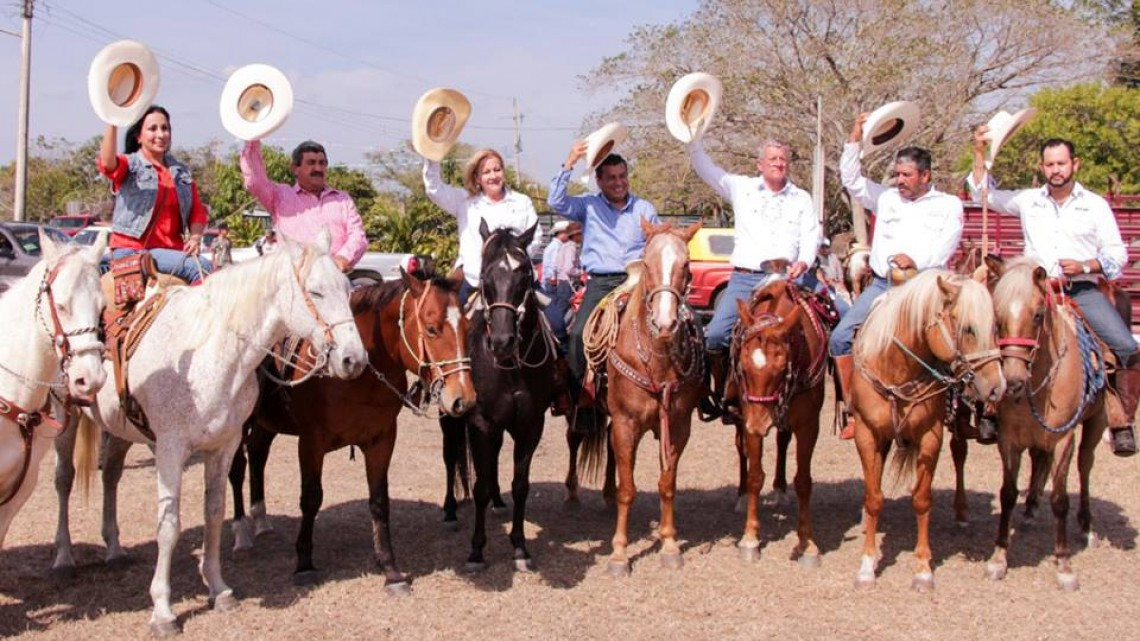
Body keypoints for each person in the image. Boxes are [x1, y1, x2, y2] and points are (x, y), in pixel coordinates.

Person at [969, 131, 1137, 456]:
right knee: (987, 337)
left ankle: (1121, 420)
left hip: (1080, 289)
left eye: (1061, 163)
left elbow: (1117, 255)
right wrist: (979, 153)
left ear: (1075, 164)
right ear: (1042, 167)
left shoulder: (1095, 205)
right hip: (1033, 290)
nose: (1056, 170)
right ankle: (988, 408)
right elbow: (982, 194)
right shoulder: (1028, 200)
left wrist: (1085, 265)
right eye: (1050, 164)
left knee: (1125, 346)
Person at [830, 112, 964, 439]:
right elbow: (852, 179)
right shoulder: (886, 198)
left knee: (958, 343)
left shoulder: (948, 205)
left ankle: (960, 411)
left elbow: (946, 245)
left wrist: (917, 261)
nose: (900, 180)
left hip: (924, 288)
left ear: (925, 175)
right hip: (882, 285)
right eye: (897, 174)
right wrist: (855, 137)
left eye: (906, 175)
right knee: (840, 337)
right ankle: (853, 409)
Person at [688, 137, 820, 420]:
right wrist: (694, 140)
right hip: (746, 279)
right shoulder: (741, 187)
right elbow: (706, 168)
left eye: (783, 159)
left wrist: (804, 261)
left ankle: (842, 401)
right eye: (773, 159)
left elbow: (811, 235)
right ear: (760, 165)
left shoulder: (801, 198)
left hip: (789, 277)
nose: (779, 164)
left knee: (839, 317)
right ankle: (727, 394)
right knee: (716, 336)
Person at [548, 142, 661, 433]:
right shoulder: (588, 205)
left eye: (622, 176)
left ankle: (687, 393)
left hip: (639, 280)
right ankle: (582, 401)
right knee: (577, 337)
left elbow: (657, 243)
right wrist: (570, 161)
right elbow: (556, 202)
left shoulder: (645, 209)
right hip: (602, 283)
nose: (618, 182)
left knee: (680, 324)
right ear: (599, 181)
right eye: (611, 178)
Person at [97, 105, 210, 284]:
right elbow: (106, 164)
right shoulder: (130, 165)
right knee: (202, 268)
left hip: (170, 253)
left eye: (165, 128)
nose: (160, 134)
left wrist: (195, 238)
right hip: (132, 250)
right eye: (152, 129)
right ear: (138, 136)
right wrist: (113, 122)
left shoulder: (181, 172)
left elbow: (197, 211)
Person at [421, 149, 542, 303]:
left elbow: (536, 236)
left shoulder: (522, 201)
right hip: (474, 282)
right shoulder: (464, 201)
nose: (493, 176)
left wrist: (515, 259)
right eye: (486, 172)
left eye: (497, 170)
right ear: (477, 178)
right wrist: (433, 153)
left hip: (517, 283)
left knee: (554, 316)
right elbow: (434, 189)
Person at [240, 139, 367, 272]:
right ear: (295, 168)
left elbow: (358, 235)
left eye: (322, 163)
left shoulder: (342, 200)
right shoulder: (279, 196)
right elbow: (254, 181)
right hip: (293, 279)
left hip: (336, 277)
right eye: (311, 163)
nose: (318, 168)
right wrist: (252, 140)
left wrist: (342, 258)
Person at [545, 222, 582, 349]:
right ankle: (558, 335)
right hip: (568, 283)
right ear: (575, 235)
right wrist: (581, 272)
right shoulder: (571, 247)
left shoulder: (564, 246)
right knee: (564, 310)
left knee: (562, 309)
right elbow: (568, 268)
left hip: (562, 282)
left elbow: (557, 265)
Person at [816, 238, 851, 317]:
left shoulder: (833, 257)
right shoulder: (816, 259)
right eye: (822, 247)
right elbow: (818, 274)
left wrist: (841, 282)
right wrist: (827, 282)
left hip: (837, 283)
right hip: (825, 285)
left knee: (846, 297)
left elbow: (839, 272)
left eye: (826, 247)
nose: (824, 249)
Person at [541, 220, 571, 294]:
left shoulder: (556, 246)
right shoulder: (556, 247)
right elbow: (555, 265)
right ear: (561, 233)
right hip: (554, 285)